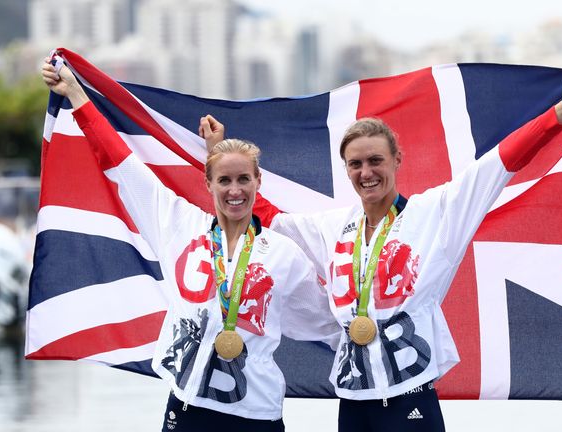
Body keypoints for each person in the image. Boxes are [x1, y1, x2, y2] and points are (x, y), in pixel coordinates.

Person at [203, 69, 562, 432]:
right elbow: (262, 211)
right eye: (355, 164)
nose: (366, 172)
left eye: (376, 160)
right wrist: (218, 150)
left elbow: (499, 163)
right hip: (352, 401)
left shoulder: (436, 214)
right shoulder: (331, 228)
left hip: (410, 401)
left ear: (397, 160)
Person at [41, 56, 339, 432]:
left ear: (258, 182)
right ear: (208, 183)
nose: (235, 190)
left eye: (243, 179)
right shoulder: (178, 223)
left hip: (256, 413)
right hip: (186, 406)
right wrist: (75, 94)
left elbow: (330, 321)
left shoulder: (284, 255)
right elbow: (119, 161)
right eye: (224, 180)